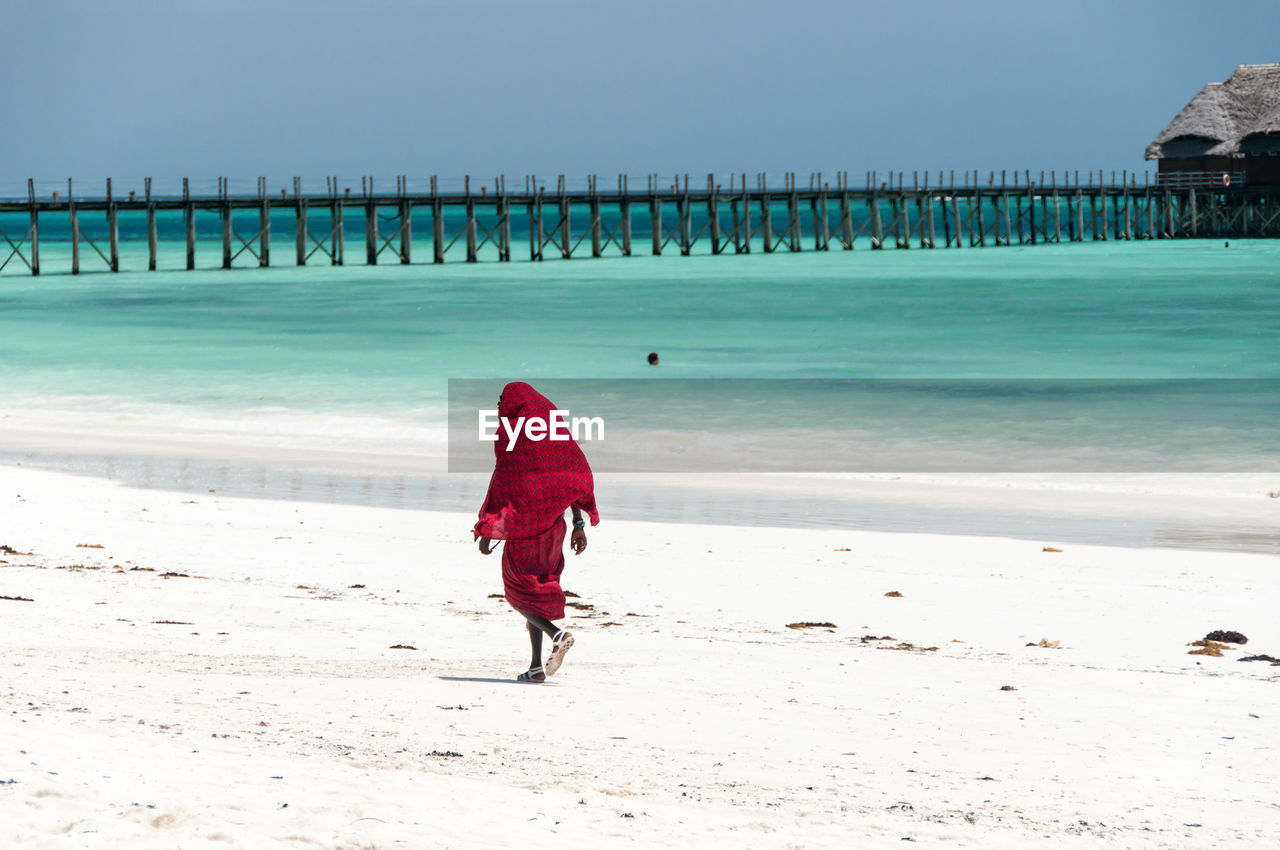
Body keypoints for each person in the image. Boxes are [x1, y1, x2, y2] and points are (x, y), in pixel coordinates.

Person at [475, 382, 599, 682]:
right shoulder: (556, 434)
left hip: (525, 529)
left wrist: (491, 529)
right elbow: (567, 478)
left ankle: (556, 634)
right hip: (554, 526)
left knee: (516, 594)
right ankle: (534, 667)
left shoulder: (514, 436)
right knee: (534, 595)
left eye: (502, 401)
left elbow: (506, 484)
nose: (499, 407)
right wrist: (579, 524)